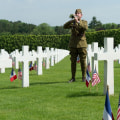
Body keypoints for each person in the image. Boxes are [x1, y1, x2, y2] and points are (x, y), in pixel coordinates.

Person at [63, 9, 88, 82]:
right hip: (73, 44)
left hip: (82, 44)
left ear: (81, 15)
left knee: (83, 61)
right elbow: (65, 26)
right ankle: (73, 77)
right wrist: (72, 20)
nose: (77, 14)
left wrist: (78, 21)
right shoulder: (72, 22)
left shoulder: (84, 22)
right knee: (73, 62)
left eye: (79, 13)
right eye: (76, 13)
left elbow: (85, 28)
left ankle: (83, 77)